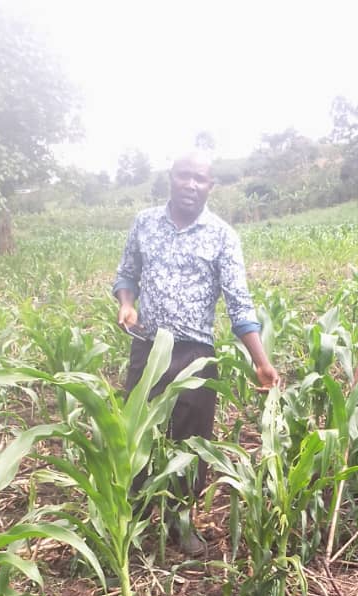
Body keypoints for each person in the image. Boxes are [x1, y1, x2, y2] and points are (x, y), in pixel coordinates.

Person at [113, 151, 279, 554]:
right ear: (170, 178)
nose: (191, 184)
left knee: (191, 442)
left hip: (195, 353)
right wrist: (126, 303)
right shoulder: (145, 223)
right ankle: (131, 518)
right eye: (184, 176)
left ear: (210, 186)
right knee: (137, 435)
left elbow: (239, 303)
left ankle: (180, 522)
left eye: (200, 179)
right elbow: (127, 274)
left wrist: (260, 360)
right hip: (147, 348)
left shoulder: (222, 235)